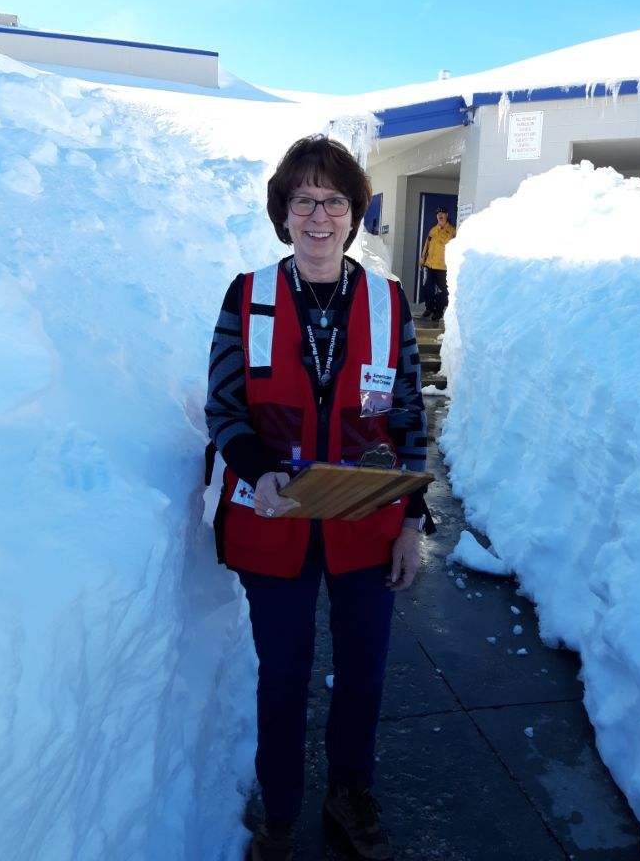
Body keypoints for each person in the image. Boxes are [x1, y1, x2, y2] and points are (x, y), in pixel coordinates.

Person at [205, 135, 432, 861]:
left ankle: (349, 791)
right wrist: (254, 467)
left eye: (333, 200)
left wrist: (413, 523)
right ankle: (279, 810)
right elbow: (225, 406)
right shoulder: (248, 296)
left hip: (367, 521)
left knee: (364, 668)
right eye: (303, 200)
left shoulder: (389, 300)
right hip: (276, 518)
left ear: (353, 213)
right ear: (284, 213)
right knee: (284, 672)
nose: (318, 215)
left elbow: (407, 417)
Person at [419, 207, 456, 321]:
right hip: (430, 265)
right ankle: (429, 308)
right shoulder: (433, 230)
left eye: (442, 214)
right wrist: (422, 259)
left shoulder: (452, 231)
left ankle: (438, 312)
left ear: (447, 215)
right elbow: (427, 245)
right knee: (427, 288)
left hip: (443, 267)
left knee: (441, 291)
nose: (440, 216)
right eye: (438, 214)